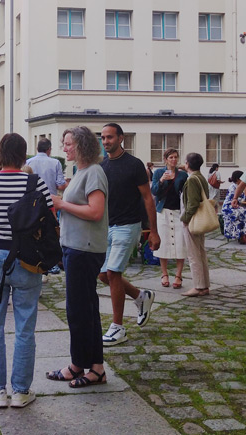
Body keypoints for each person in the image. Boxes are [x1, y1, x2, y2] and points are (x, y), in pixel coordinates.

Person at [0, 133, 52, 408]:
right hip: (28, 258)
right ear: (23, 154)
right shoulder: (35, 182)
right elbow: (49, 222)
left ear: (0, 153)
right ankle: (20, 391)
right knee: (25, 327)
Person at [46, 126, 109, 388]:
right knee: (85, 310)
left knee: (79, 310)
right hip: (76, 247)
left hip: (84, 249)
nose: (65, 148)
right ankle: (88, 366)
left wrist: (60, 204)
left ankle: (85, 366)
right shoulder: (81, 171)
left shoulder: (94, 172)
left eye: (69, 143)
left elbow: (95, 211)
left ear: (81, 145)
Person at [98, 123, 160, 346]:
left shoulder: (134, 165)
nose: (106, 142)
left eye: (110, 137)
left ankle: (118, 328)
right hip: (107, 226)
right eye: (103, 138)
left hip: (128, 225)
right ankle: (141, 296)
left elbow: (147, 199)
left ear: (121, 138)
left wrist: (153, 231)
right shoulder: (102, 165)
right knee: (103, 275)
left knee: (113, 273)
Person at [151, 148, 188, 289]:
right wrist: (161, 181)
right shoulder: (159, 172)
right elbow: (154, 191)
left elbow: (186, 192)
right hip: (163, 211)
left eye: (175, 157)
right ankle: (164, 273)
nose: (173, 160)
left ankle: (178, 275)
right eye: (171, 157)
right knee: (164, 242)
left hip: (178, 211)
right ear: (165, 159)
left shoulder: (182, 175)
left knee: (180, 242)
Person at [179, 152, 212, 297]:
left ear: (187, 164)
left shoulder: (192, 180)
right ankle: (204, 285)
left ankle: (198, 286)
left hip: (192, 220)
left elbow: (192, 203)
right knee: (200, 252)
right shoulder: (200, 177)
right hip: (199, 220)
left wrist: (185, 218)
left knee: (193, 255)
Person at [221, 170, 246, 244]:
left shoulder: (240, 187)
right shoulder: (233, 187)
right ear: (238, 179)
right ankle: (243, 236)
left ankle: (244, 235)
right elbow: (237, 200)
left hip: (238, 207)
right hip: (229, 208)